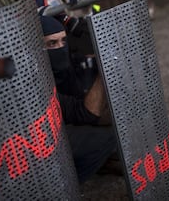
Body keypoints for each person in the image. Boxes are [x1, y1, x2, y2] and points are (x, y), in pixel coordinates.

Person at [39, 15, 118, 183]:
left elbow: (78, 109)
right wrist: (106, 64)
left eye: (63, 41)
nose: (60, 47)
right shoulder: (36, 81)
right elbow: (86, 114)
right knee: (107, 137)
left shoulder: (66, 66)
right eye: (52, 43)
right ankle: (67, 185)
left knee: (118, 127)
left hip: (64, 123)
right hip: (41, 144)